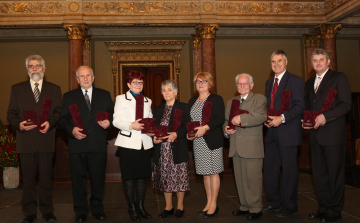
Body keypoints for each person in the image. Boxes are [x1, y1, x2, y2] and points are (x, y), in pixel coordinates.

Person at [7, 55, 62, 223]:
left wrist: (50, 123)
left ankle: (47, 211)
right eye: (31, 66)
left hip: (46, 140)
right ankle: (29, 212)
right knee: (29, 180)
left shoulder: (54, 89)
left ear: (44, 68)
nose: (35, 69)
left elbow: (58, 112)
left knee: (46, 179)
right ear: (27, 70)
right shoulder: (17, 89)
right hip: (26, 140)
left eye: (38, 66)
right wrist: (19, 125)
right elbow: (11, 114)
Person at [59, 66, 114, 223]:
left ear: (93, 77)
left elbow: (114, 114)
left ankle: (97, 209)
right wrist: (71, 129)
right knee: (78, 180)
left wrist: (109, 122)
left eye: (88, 75)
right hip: (77, 144)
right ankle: (81, 211)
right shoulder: (69, 97)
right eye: (82, 76)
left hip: (97, 143)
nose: (85, 78)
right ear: (77, 79)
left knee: (98, 179)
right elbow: (63, 119)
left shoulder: (104, 95)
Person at [304, 49, 351, 222]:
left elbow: (346, 105)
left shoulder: (339, 78)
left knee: (335, 175)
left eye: (321, 60)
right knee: (320, 175)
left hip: (333, 136)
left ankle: (335, 210)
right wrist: (306, 119)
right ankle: (323, 208)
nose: (318, 63)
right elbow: (309, 106)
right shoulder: (309, 83)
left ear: (328, 61)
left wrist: (326, 116)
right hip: (315, 137)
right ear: (311, 63)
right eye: (315, 60)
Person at [263, 50, 305, 217]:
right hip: (271, 132)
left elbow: (300, 106)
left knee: (289, 172)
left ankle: (290, 207)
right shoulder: (268, 83)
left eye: (279, 61)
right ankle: (274, 203)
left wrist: (282, 118)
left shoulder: (295, 81)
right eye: (273, 61)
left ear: (286, 62)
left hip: (288, 132)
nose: (276, 64)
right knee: (270, 170)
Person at [223, 73, 267, 220]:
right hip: (235, 145)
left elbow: (261, 116)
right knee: (240, 179)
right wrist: (226, 130)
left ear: (251, 85)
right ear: (236, 86)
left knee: (253, 179)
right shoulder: (231, 101)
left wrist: (241, 118)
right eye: (239, 84)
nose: (242, 86)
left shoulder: (259, 99)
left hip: (252, 146)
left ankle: (255, 208)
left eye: (245, 84)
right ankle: (244, 206)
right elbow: (225, 121)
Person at [112, 70, 154, 221]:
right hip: (128, 144)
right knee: (129, 178)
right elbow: (115, 121)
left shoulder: (147, 100)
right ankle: (131, 208)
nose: (138, 85)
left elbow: (150, 119)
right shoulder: (121, 99)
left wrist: (152, 130)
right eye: (135, 82)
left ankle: (141, 207)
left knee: (143, 178)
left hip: (144, 143)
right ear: (129, 84)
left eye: (140, 82)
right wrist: (131, 125)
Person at [187, 72, 225, 218]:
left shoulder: (216, 99)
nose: (200, 83)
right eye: (198, 81)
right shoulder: (192, 101)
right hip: (198, 142)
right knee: (205, 173)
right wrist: (188, 133)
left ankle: (214, 204)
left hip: (212, 141)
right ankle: (208, 202)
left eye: (204, 81)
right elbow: (189, 121)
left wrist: (206, 127)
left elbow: (220, 118)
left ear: (209, 84)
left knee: (213, 172)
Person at [153, 80, 190, 219]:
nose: (166, 93)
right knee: (165, 179)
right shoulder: (157, 109)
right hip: (162, 150)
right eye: (164, 90)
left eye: (169, 90)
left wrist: (176, 134)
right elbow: (154, 129)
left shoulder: (183, 107)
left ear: (176, 92)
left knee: (179, 179)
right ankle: (168, 207)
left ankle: (180, 206)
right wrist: (154, 138)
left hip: (177, 148)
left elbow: (187, 125)